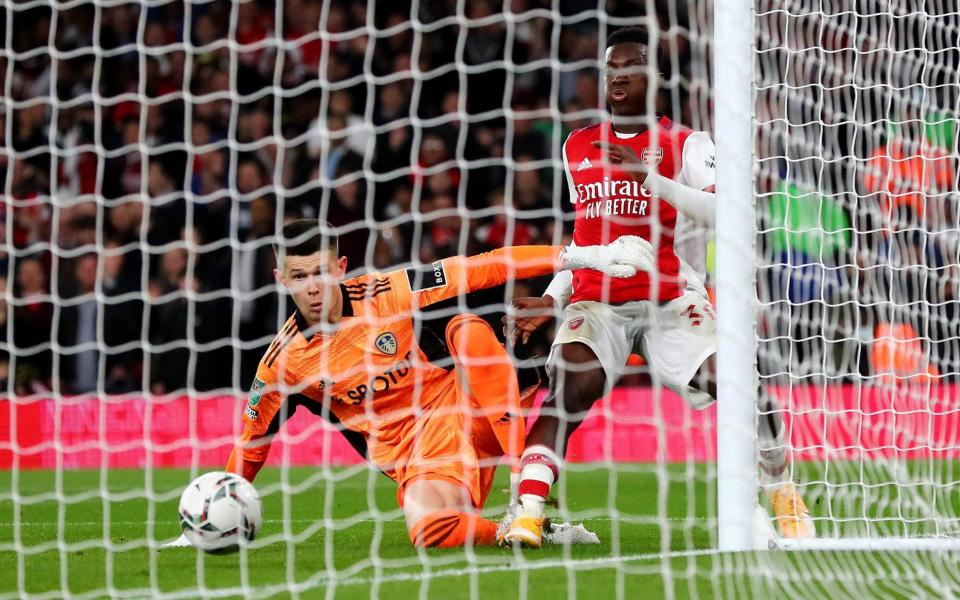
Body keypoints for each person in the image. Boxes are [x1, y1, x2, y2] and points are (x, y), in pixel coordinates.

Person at [501, 27, 813, 548]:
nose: (618, 77)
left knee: (736, 378)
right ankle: (528, 510)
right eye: (610, 68)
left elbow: (728, 211)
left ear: (657, 78)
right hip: (598, 300)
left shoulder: (689, 144)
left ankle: (782, 491)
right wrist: (553, 298)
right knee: (568, 389)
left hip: (672, 299)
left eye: (631, 67)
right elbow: (586, 236)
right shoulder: (577, 145)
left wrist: (652, 182)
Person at [172, 219, 652, 548]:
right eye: (299, 277)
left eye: (320, 272)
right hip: (420, 462)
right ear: (281, 279)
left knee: (466, 328)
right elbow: (252, 443)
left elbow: (486, 265)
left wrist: (582, 256)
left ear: (340, 268)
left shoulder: (388, 291)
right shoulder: (283, 363)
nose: (313, 287)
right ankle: (526, 531)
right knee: (426, 531)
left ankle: (521, 485)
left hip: (474, 413)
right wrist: (209, 512)